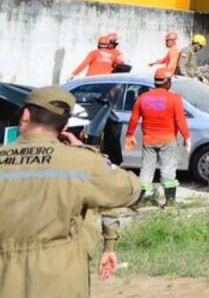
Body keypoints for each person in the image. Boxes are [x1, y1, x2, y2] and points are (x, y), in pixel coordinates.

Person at [0, 86, 142, 298]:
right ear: (65, 125)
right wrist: (86, 153)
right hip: (57, 277)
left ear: (26, 115)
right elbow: (131, 189)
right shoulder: (80, 163)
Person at [125, 68, 190, 207]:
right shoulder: (174, 98)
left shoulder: (143, 98)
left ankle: (138, 202)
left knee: (146, 171)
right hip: (168, 140)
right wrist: (187, 138)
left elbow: (134, 119)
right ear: (167, 82)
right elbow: (180, 120)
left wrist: (129, 135)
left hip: (149, 140)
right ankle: (169, 202)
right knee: (168, 170)